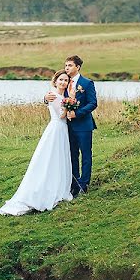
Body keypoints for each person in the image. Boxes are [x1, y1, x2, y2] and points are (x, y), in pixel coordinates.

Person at [0, 72, 74, 216]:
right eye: (61, 80)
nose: (63, 82)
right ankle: (45, 191)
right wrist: (71, 104)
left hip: (62, 130)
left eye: (66, 80)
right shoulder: (54, 96)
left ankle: (58, 185)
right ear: (55, 81)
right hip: (56, 129)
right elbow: (62, 115)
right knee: (50, 158)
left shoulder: (63, 97)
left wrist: (69, 102)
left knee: (59, 158)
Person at [44, 55, 97, 196]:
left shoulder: (86, 83)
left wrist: (77, 113)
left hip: (84, 125)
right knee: (71, 155)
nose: (67, 68)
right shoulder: (64, 82)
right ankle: (74, 183)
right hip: (67, 126)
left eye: (70, 65)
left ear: (77, 67)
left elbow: (93, 103)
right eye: (66, 65)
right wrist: (45, 98)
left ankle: (84, 184)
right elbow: (56, 96)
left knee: (86, 154)